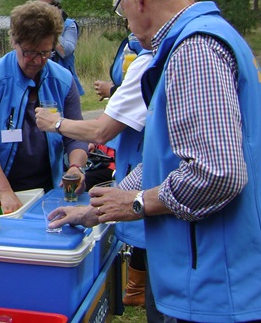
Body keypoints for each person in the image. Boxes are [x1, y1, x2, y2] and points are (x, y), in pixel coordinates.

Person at [47, 0, 261, 322]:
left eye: (119, 5)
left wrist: (138, 202)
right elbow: (172, 159)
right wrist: (101, 207)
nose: (124, 16)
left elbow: (218, 172)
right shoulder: (204, 39)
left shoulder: (195, 50)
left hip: (227, 288)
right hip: (227, 281)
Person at [36, 35, 165, 319]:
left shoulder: (154, 61)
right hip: (141, 181)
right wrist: (94, 211)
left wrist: (55, 123)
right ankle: (136, 288)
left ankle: (135, 287)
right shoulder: (154, 56)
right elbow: (153, 164)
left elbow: (101, 131)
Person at [0, 0, 88, 213]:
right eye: (30, 53)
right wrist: (4, 191)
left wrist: (75, 167)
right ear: (15, 42)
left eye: (45, 53)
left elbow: (76, 135)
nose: (37, 61)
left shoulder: (63, 80)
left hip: (45, 190)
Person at [36, 0, 85, 95]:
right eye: (40, 6)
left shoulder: (69, 25)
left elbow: (66, 51)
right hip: (41, 77)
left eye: (46, 6)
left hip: (63, 78)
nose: (42, 10)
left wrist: (53, 27)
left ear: (56, 7)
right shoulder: (35, 25)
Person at [93, 33, 143, 100]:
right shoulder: (131, 40)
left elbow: (141, 88)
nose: (128, 25)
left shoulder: (146, 45)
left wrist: (112, 90)